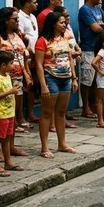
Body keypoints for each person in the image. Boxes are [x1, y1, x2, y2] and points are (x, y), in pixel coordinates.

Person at [0, 7, 31, 156]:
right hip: (3, 81)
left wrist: (27, 74)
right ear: (6, 20)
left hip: (17, 79)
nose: (18, 22)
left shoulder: (17, 35)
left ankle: (11, 146)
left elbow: (21, 57)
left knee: (14, 113)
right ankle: (0, 147)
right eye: (15, 19)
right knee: (2, 115)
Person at [34, 12, 78, 159]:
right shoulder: (42, 41)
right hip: (50, 77)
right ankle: (45, 147)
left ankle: (62, 143)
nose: (64, 24)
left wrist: (74, 78)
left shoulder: (65, 38)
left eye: (65, 22)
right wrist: (43, 85)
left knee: (61, 112)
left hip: (65, 78)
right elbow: (39, 65)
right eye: (61, 22)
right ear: (53, 24)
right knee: (47, 113)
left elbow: (70, 58)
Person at [0, 50, 23, 177]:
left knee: (7, 139)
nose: (12, 65)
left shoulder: (7, 76)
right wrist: (10, 92)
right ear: (3, 65)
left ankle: (8, 162)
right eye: (11, 63)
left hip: (9, 113)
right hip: (0, 114)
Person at [78, 0, 104, 118]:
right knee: (87, 80)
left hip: (98, 49)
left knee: (97, 81)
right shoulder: (85, 10)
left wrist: (103, 25)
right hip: (88, 48)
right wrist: (102, 25)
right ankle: (85, 107)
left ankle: (94, 105)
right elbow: (96, 28)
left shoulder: (98, 9)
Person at [17, 0, 39, 124]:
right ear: (26, 4)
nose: (36, 4)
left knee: (32, 84)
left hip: (35, 55)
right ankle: (21, 116)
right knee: (25, 85)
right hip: (26, 55)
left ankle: (31, 112)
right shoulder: (20, 17)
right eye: (34, 2)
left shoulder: (32, 17)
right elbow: (21, 36)